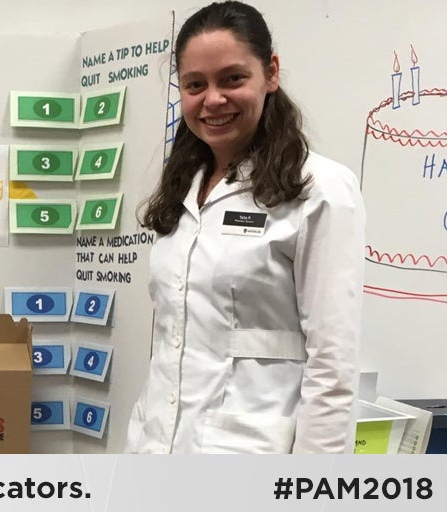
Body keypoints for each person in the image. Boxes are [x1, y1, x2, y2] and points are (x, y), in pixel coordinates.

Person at [127, 1, 364, 454]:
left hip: (253, 457)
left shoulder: (321, 190)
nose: (212, 99)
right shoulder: (182, 189)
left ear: (270, 73)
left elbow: (332, 368)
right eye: (195, 85)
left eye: (232, 79)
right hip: (155, 447)